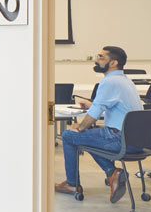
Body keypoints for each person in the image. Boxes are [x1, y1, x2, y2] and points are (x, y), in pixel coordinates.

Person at [55, 45, 143, 202]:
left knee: (70, 136)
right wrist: (92, 105)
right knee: (88, 138)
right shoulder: (124, 81)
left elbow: (94, 115)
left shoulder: (109, 82)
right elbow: (113, 107)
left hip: (119, 139)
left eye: (101, 57)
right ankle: (112, 173)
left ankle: (72, 184)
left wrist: (80, 127)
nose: (97, 60)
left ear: (113, 62)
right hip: (136, 141)